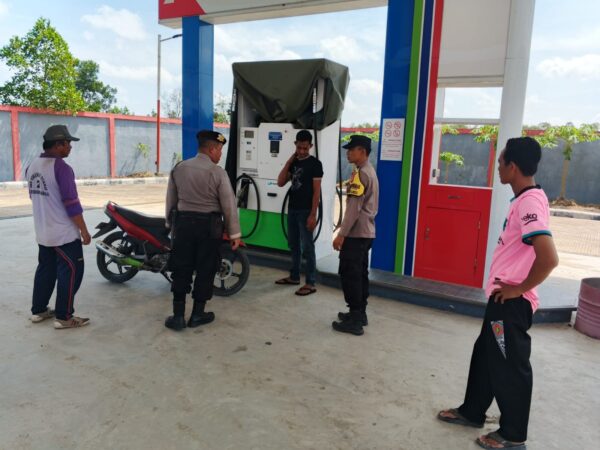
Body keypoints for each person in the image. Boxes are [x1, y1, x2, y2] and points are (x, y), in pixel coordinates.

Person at [437, 137, 559, 450]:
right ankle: (472, 411)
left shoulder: (529, 202)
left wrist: (519, 289)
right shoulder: (525, 198)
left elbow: (549, 258)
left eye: (501, 162)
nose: (499, 168)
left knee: (510, 367)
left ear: (513, 167)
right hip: (501, 299)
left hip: (511, 303)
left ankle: (513, 436)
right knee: (485, 356)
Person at [164, 130, 241, 331]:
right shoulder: (218, 173)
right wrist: (234, 234)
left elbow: (171, 199)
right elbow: (229, 205)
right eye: (220, 150)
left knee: (181, 268)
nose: (221, 155)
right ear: (212, 149)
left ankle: (178, 317)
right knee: (206, 269)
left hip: (183, 226)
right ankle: (197, 315)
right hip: (209, 228)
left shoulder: (179, 168)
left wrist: (169, 224)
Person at [25, 124, 91, 329]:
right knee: (71, 272)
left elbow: (34, 197)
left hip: (43, 232)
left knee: (46, 270)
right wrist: (83, 230)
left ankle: (39, 310)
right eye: (67, 143)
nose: (70, 146)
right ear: (57, 144)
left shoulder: (32, 166)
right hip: (63, 234)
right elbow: (72, 203)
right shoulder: (62, 168)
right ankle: (64, 316)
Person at [331, 135, 379, 336]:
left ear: (362, 151)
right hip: (365, 233)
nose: (348, 153)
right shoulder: (368, 171)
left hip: (356, 234)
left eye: (352, 149)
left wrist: (341, 234)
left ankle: (356, 320)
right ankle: (359, 313)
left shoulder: (361, 175)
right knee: (359, 274)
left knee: (350, 275)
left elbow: (353, 209)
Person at [274, 129, 323, 296]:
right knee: (293, 244)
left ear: (311, 146)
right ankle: (294, 276)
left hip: (306, 211)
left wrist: (313, 214)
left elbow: (316, 192)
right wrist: (289, 161)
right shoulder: (294, 162)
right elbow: (280, 182)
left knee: (308, 246)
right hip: (293, 208)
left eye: (305, 148)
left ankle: (310, 282)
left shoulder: (315, 164)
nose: (302, 151)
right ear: (295, 145)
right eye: (299, 147)